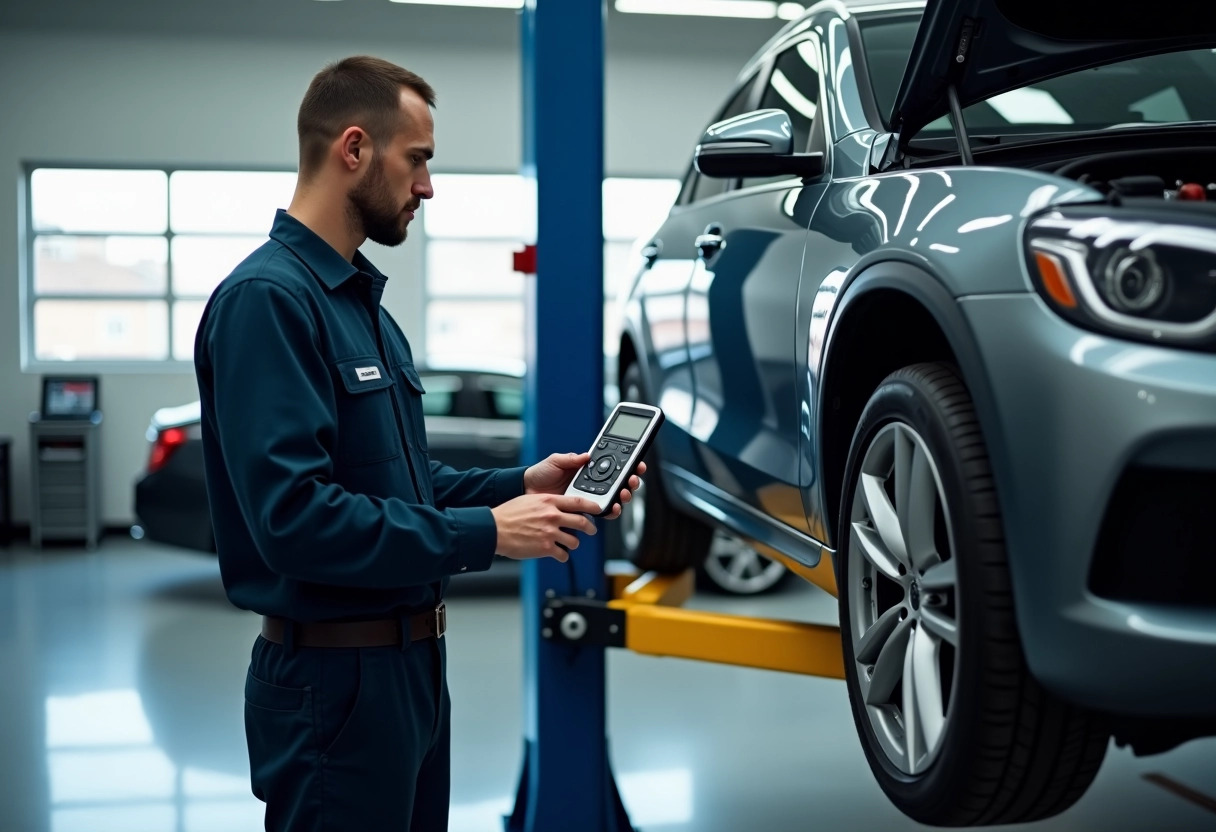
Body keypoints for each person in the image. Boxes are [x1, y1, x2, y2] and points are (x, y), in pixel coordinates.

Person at [193, 55, 642, 832]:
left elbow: (398, 483)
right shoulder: (269, 302)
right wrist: (490, 535)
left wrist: (519, 486)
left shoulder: (361, 303)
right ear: (355, 149)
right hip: (333, 681)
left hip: (409, 672)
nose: (428, 187)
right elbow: (295, 519)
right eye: (420, 160)